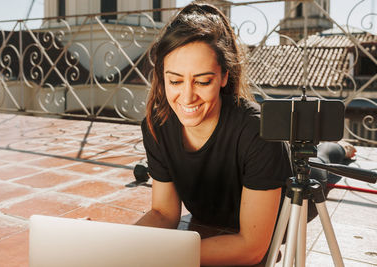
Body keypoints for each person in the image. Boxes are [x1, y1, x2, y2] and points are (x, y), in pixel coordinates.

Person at [135, 2, 356, 266]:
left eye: (203, 81)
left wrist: (158, 256)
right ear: (161, 75)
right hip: (221, 221)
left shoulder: (257, 130)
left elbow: (252, 249)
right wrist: (123, 244)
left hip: (287, 198)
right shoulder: (156, 126)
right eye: (175, 80)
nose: (187, 96)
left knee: (318, 159)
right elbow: (163, 213)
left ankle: (340, 148)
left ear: (224, 76)